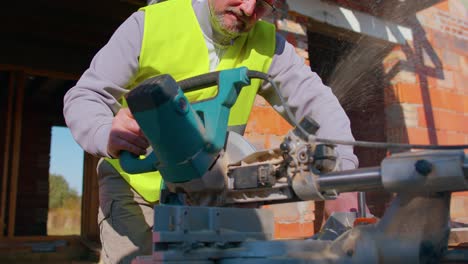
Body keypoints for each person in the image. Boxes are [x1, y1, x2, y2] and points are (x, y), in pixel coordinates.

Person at [63, 0, 359, 263]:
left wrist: (341, 174)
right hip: (135, 189)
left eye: (263, 4)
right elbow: (85, 96)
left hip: (209, 191)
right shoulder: (150, 23)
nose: (248, 9)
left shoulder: (269, 44)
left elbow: (317, 104)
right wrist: (105, 131)